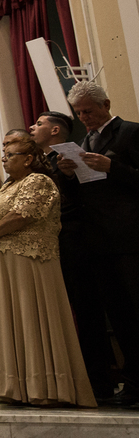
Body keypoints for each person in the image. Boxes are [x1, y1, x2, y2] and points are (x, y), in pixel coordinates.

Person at [0, 135, 96, 407]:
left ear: (28, 159)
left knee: (33, 316)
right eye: (3, 156)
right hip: (6, 262)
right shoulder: (8, 186)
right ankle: (17, 387)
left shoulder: (38, 181)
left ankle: (47, 386)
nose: (4, 160)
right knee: (13, 320)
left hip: (32, 261)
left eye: (10, 156)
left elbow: (22, 214)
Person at [57, 81, 139, 405]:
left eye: (88, 111)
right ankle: (133, 384)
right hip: (97, 240)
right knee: (118, 317)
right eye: (78, 113)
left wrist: (112, 167)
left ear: (106, 104)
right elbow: (80, 195)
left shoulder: (130, 133)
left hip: (129, 237)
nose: (84, 118)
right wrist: (67, 174)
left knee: (136, 311)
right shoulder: (83, 142)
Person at [31, 110, 113, 399]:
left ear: (55, 131)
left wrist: (67, 175)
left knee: (87, 309)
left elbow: (84, 199)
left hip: (76, 240)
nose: (32, 127)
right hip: (55, 240)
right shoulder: (41, 163)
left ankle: (99, 379)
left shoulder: (72, 157)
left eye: (39, 123)